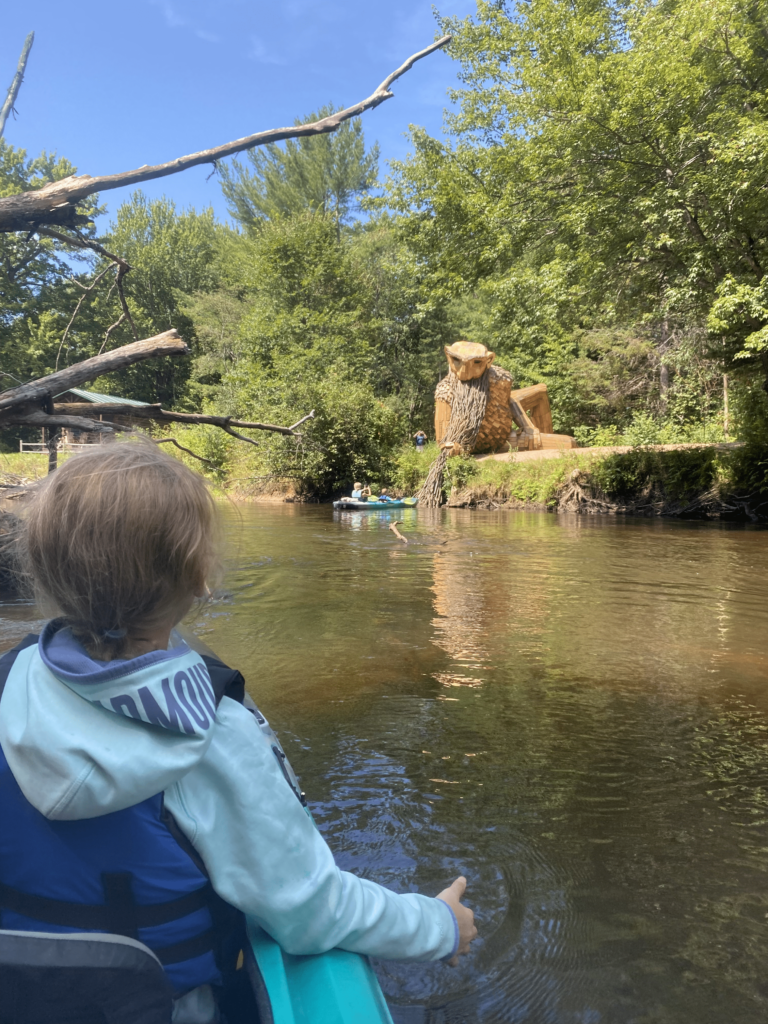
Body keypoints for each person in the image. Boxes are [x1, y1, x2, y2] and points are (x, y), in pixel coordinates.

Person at [0, 441, 476, 1023]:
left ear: (44, 571)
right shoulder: (211, 733)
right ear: (200, 576)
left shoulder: (7, 685)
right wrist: (438, 925)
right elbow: (309, 912)